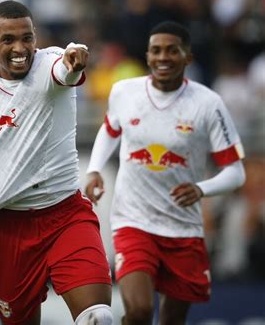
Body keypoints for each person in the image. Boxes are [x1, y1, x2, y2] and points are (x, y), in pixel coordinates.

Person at [0, 0, 113, 325]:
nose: (20, 48)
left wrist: (75, 60)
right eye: (8, 39)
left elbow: (66, 70)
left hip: (65, 215)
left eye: (27, 38)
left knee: (98, 317)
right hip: (7, 225)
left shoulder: (51, 64)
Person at [85, 21, 246, 324]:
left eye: (173, 51)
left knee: (172, 320)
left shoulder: (208, 104)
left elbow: (235, 172)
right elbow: (110, 130)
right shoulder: (125, 92)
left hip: (183, 228)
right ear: (147, 56)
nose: (163, 57)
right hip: (133, 220)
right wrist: (94, 169)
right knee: (140, 310)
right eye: (156, 50)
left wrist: (201, 189)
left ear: (188, 57)